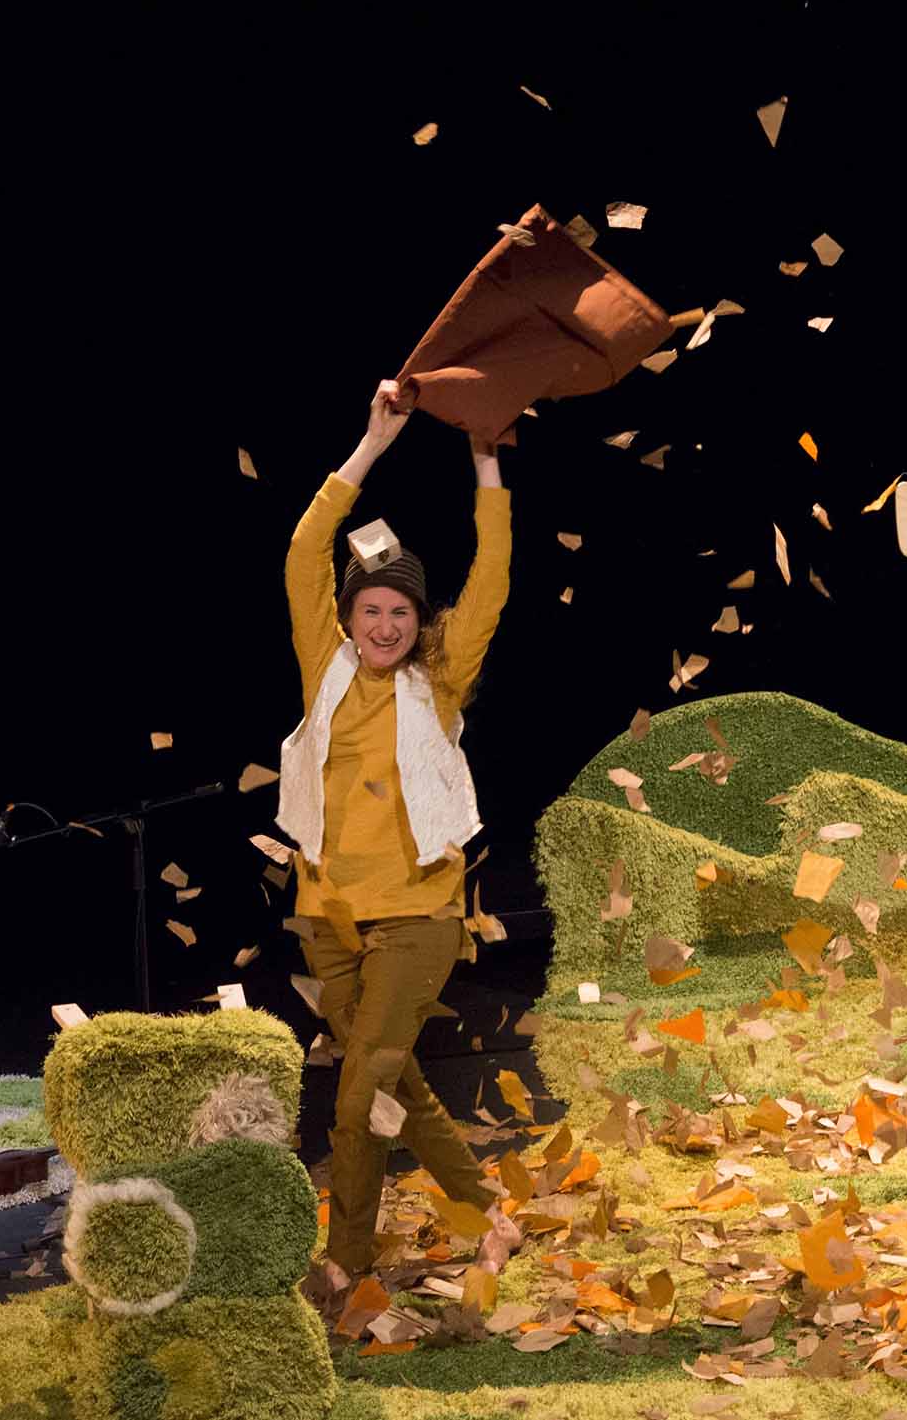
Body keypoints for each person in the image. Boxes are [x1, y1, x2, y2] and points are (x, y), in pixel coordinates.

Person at [277, 378, 521, 1275]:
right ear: (348, 616)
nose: (385, 625)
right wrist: (372, 444)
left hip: (418, 913)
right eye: (371, 609)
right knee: (392, 1084)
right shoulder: (325, 666)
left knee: (356, 1100)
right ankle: (489, 1212)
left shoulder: (439, 680)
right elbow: (305, 550)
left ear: (421, 622)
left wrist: (485, 456)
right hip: (329, 915)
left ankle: (343, 1265)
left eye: (401, 612)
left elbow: (489, 582)